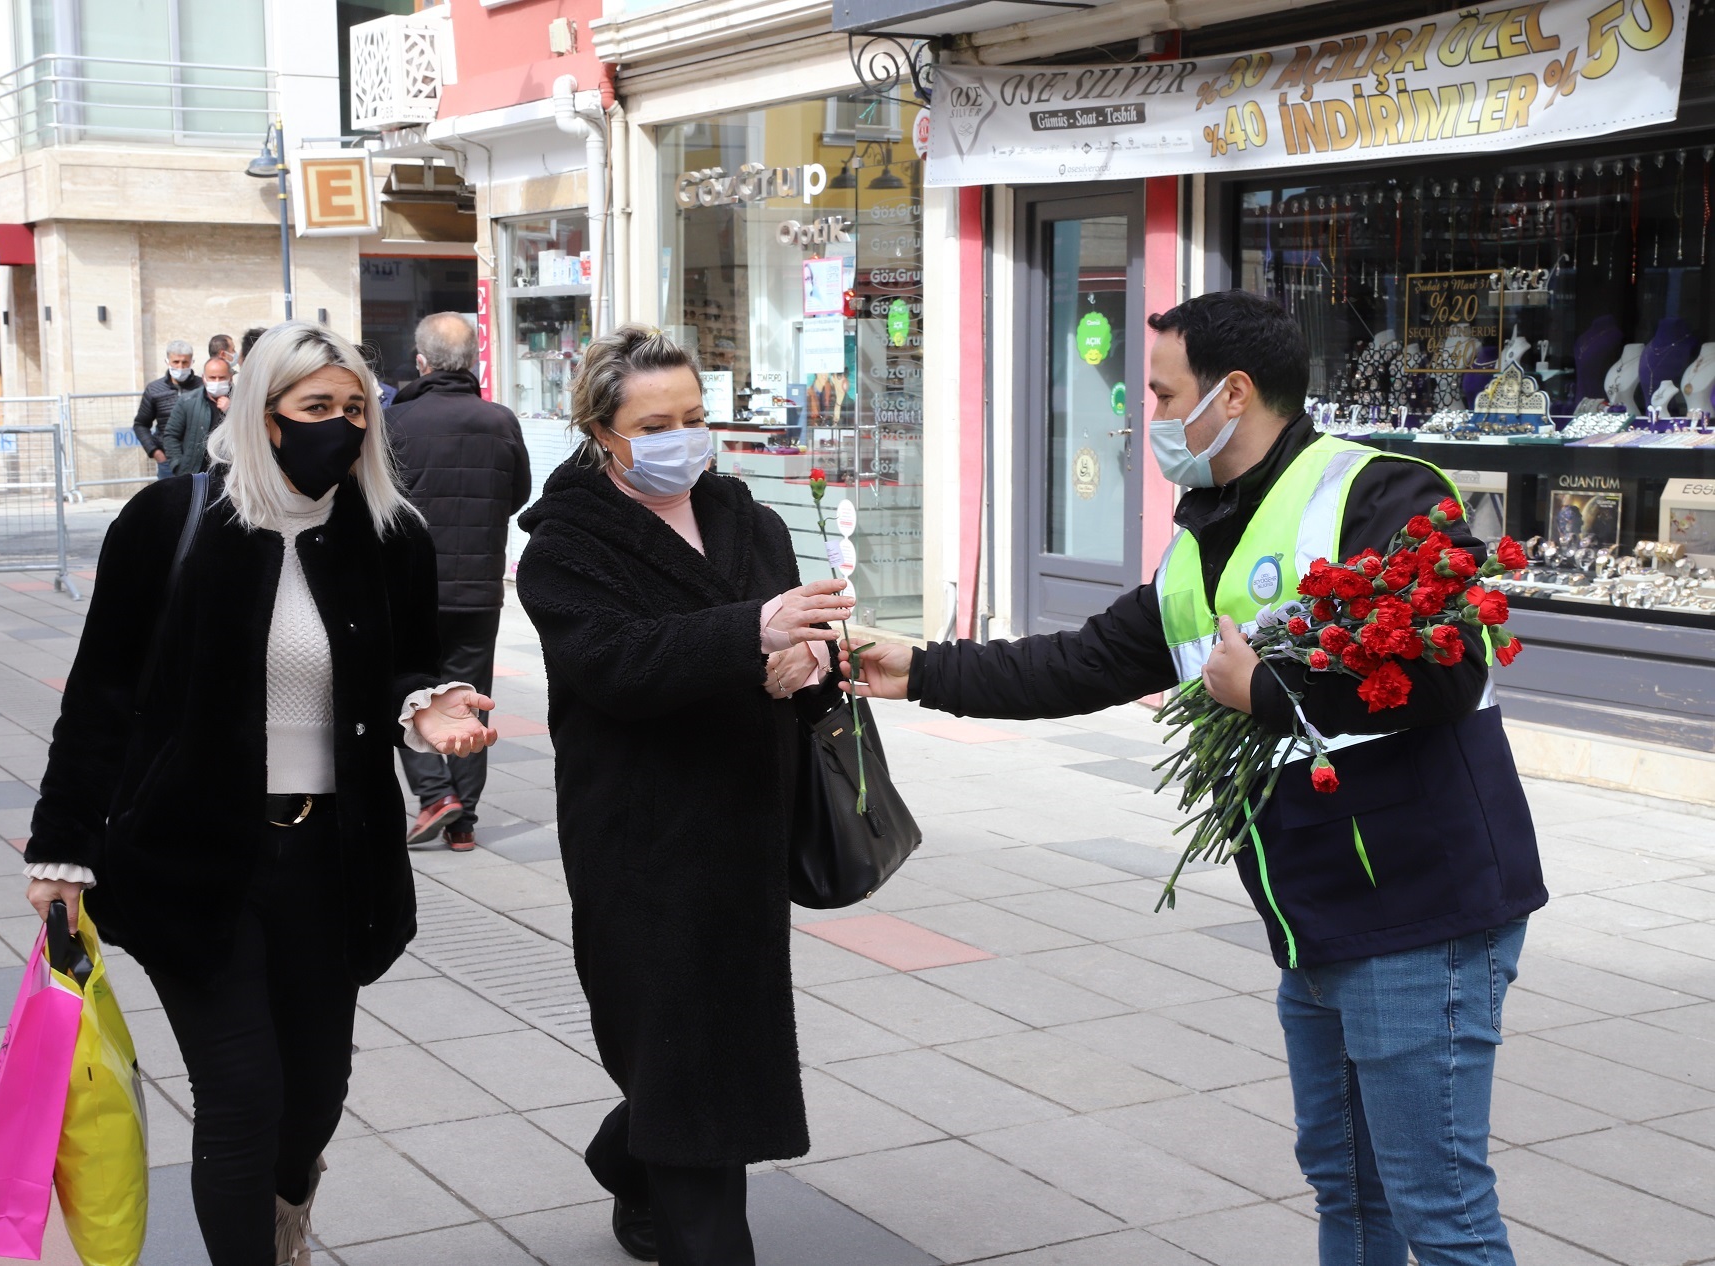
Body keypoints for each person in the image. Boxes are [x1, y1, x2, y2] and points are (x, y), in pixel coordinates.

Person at [848, 289, 1547, 1266]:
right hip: (1316, 913)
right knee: (1348, 1188)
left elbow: (1445, 666)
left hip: (1417, 910)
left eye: (1161, 392)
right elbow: (1078, 664)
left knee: (1437, 1208)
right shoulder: (1202, 540)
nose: (1146, 415)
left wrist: (1264, 690)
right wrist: (916, 669)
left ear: (1233, 393)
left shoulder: (1378, 492)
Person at [22, 320, 501, 1266]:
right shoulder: (169, 524)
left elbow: (402, 666)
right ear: (261, 413)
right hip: (192, 857)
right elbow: (101, 696)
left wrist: (428, 704)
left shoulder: (390, 533)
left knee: (316, 1089)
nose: (342, 426)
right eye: (316, 407)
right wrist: (61, 847)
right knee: (241, 1092)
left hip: (330, 860)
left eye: (356, 408)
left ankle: (283, 1228)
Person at [515, 326, 851, 1265]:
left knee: (707, 1046)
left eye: (695, 417)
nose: (682, 437)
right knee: (678, 1045)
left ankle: (632, 1154)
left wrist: (808, 664)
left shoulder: (747, 516)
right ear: (600, 432)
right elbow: (616, 665)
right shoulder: (565, 546)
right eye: (654, 422)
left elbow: (805, 648)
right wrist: (753, 631)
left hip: (746, 822)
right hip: (640, 838)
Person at [385, 313, 530, 849]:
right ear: (472, 361)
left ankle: (434, 795)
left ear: (421, 363)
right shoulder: (499, 420)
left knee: (406, 691)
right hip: (478, 585)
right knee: (471, 697)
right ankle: (464, 820)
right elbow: (516, 495)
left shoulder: (395, 421)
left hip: (409, 587)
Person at [133, 339, 201, 478]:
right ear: (167, 361)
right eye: (176, 362)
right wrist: (156, 452)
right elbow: (141, 424)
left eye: (185, 362)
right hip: (167, 462)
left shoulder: (202, 387)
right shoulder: (154, 389)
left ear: (192, 362)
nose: (180, 366)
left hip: (198, 461)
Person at [160, 356, 233, 477]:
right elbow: (171, 435)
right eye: (212, 378)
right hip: (195, 474)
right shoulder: (187, 401)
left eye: (222, 378)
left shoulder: (242, 401)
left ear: (230, 378)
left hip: (230, 475)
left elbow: (250, 433)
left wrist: (231, 410)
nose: (217, 381)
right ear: (204, 378)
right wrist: (178, 465)